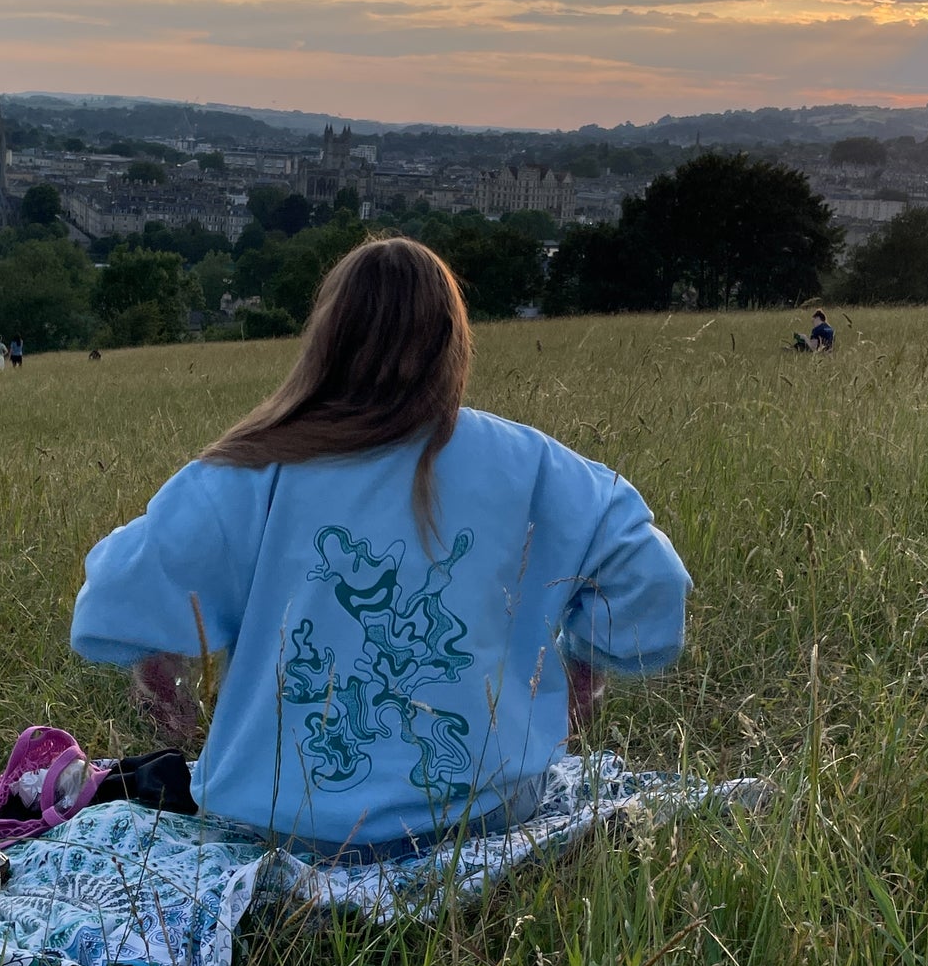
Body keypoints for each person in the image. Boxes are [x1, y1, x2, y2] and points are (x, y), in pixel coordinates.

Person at [70, 238, 691, 860]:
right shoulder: (533, 464)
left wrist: (164, 672)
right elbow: (650, 573)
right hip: (492, 811)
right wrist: (584, 665)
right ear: (453, 339)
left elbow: (121, 590)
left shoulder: (250, 470)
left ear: (327, 335)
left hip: (287, 824)